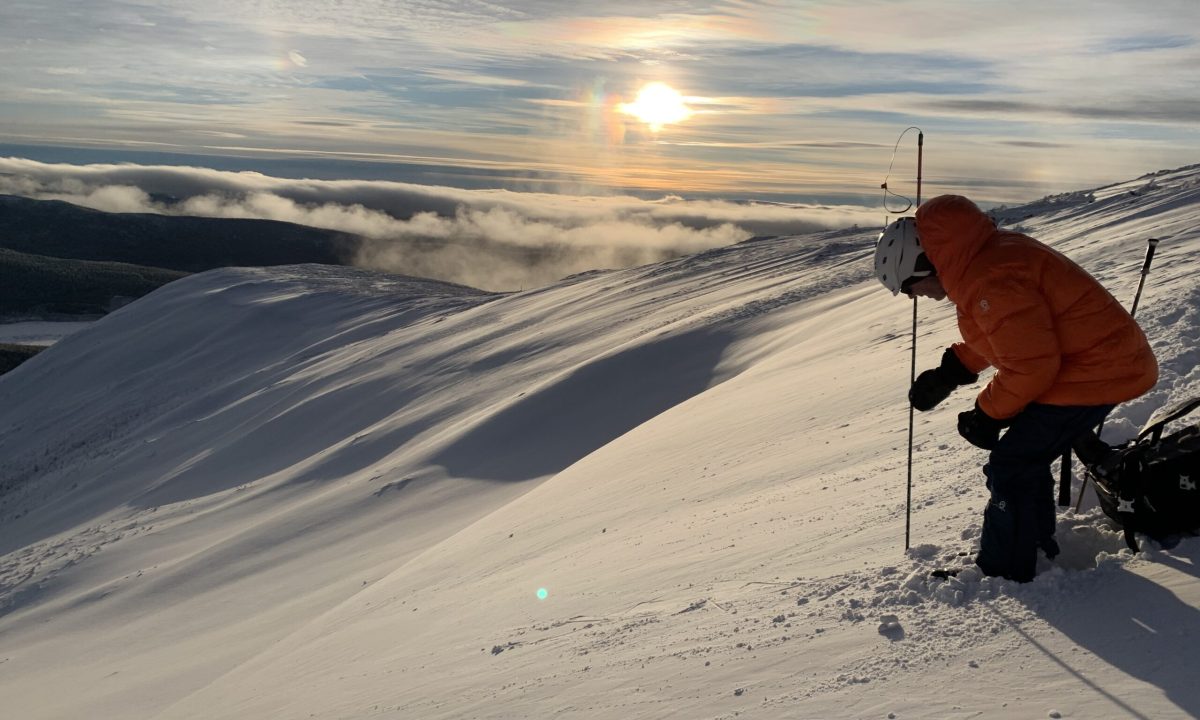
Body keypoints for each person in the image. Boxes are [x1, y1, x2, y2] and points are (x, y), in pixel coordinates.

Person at [874, 195, 1158, 582]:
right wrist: (950, 371)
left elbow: (1032, 365)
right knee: (1023, 456)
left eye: (909, 286)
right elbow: (1012, 335)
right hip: (1096, 363)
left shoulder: (987, 279)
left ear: (924, 263)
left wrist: (986, 414)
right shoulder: (983, 260)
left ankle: (1006, 568)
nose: (912, 296)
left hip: (1099, 371)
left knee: (1011, 463)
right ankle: (1032, 545)